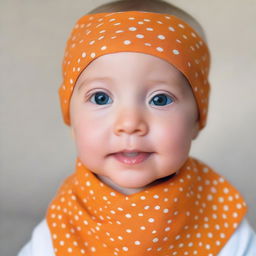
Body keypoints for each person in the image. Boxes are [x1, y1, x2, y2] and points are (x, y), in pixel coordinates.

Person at [17, 0, 256, 255]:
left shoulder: (222, 221)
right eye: (101, 98)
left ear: (197, 117)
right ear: (70, 116)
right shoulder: (59, 229)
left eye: (160, 99)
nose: (129, 124)